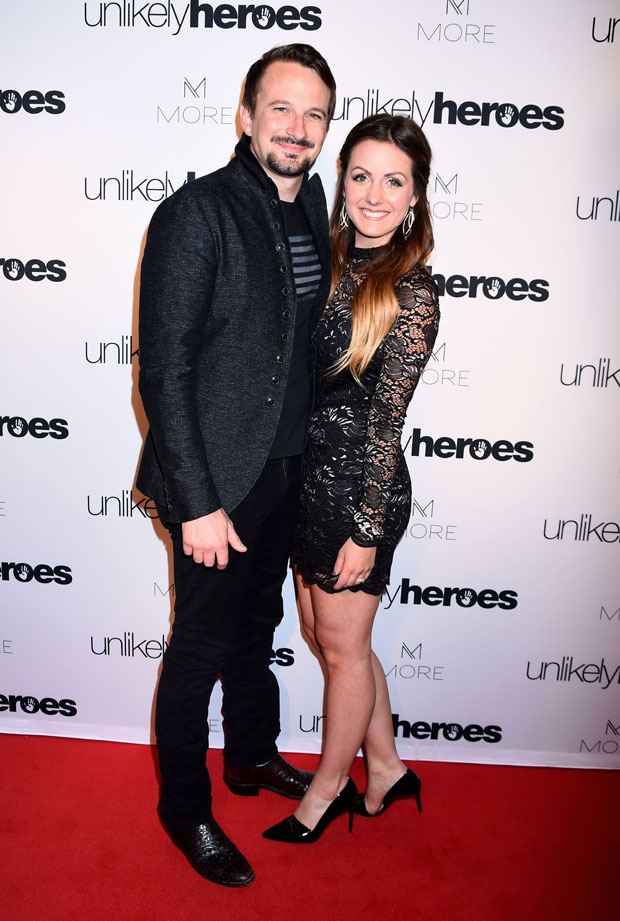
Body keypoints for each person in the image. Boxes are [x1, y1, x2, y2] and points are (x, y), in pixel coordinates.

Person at [136, 44, 336, 885]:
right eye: (280, 108)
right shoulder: (198, 213)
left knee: (260, 627)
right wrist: (197, 502)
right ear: (247, 115)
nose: (297, 128)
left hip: (286, 470)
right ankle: (185, 808)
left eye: (314, 114)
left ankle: (251, 753)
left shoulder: (314, 202)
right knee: (200, 645)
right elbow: (164, 370)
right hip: (214, 486)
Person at [262, 114, 440, 844]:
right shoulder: (329, 259)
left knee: (341, 649)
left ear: (415, 196)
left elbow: (386, 424)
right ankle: (387, 767)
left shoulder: (412, 292)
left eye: (394, 181)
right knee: (327, 635)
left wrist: (367, 530)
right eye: (361, 176)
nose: (374, 194)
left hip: (360, 493)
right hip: (309, 482)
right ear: (342, 182)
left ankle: (328, 789)